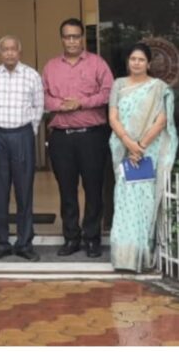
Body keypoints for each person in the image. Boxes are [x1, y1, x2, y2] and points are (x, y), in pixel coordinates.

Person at [43, 18, 113, 258]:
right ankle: (71, 237)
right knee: (67, 191)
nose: (72, 41)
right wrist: (62, 105)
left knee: (93, 189)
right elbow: (43, 97)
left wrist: (81, 102)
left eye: (76, 36)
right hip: (62, 138)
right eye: (67, 36)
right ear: (61, 38)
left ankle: (92, 238)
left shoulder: (97, 63)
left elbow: (108, 92)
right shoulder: (51, 66)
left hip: (92, 137)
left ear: (82, 38)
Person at [108, 43, 177, 272]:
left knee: (145, 203)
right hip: (124, 151)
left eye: (140, 59)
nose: (136, 63)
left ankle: (142, 256)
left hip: (147, 154)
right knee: (124, 200)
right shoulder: (118, 84)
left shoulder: (158, 87)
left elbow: (161, 120)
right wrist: (129, 144)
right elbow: (113, 117)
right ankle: (124, 258)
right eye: (132, 59)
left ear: (148, 63)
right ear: (128, 62)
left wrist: (141, 146)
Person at [0, 36, 44, 262]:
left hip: (22, 134)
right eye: (5, 50)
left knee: (24, 190)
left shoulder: (32, 75)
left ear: (20, 51)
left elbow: (39, 106)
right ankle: (0, 243)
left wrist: (30, 132)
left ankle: (24, 243)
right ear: (0, 53)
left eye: (13, 49)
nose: (9, 53)